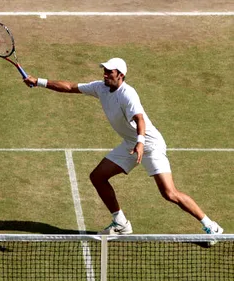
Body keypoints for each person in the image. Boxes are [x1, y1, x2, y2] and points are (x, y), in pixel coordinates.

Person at [23, 58, 223, 239]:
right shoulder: (100, 87)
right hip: (130, 144)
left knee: (169, 193)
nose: (105, 74)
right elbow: (70, 87)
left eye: (110, 71)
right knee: (98, 177)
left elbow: (140, 119)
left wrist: (141, 143)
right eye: (105, 70)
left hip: (149, 145)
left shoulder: (128, 94)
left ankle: (211, 226)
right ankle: (120, 222)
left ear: (121, 75)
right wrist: (39, 81)